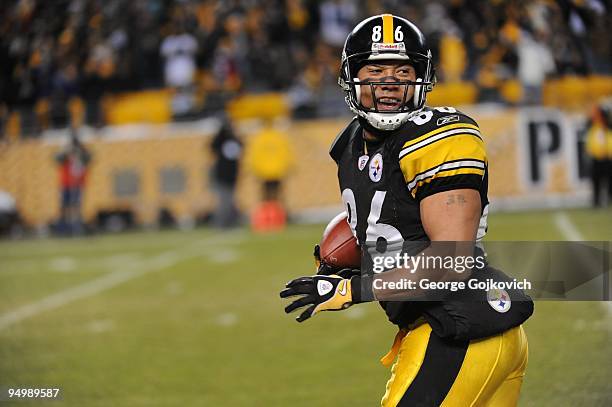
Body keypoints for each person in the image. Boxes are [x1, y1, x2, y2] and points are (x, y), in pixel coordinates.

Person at [280, 15, 533, 406]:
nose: (390, 80)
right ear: (352, 77)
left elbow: (451, 259)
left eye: (403, 69)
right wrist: (356, 258)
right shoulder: (348, 145)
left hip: (461, 332)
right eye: (375, 68)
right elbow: (395, 227)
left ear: (422, 78)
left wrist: (352, 289)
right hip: (455, 329)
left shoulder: (438, 135)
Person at [55, 130, 91, 235]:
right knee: (64, 206)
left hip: (77, 184)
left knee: (77, 206)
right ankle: (63, 229)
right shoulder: (65, 151)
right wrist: (67, 150)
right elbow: (57, 159)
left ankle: (77, 228)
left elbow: (88, 159)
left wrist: (80, 150)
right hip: (65, 183)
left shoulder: (82, 151)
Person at [210, 117, 243, 228]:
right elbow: (212, 147)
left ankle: (230, 223)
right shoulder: (220, 140)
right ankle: (221, 224)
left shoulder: (233, 139)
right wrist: (222, 134)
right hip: (222, 176)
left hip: (232, 176)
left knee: (230, 202)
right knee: (224, 202)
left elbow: (242, 146)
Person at [585, 98, 612, 207]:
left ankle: (609, 200)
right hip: (596, 158)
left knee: (610, 182)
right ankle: (596, 201)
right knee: (596, 181)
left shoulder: (608, 128)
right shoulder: (594, 127)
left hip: (608, 158)